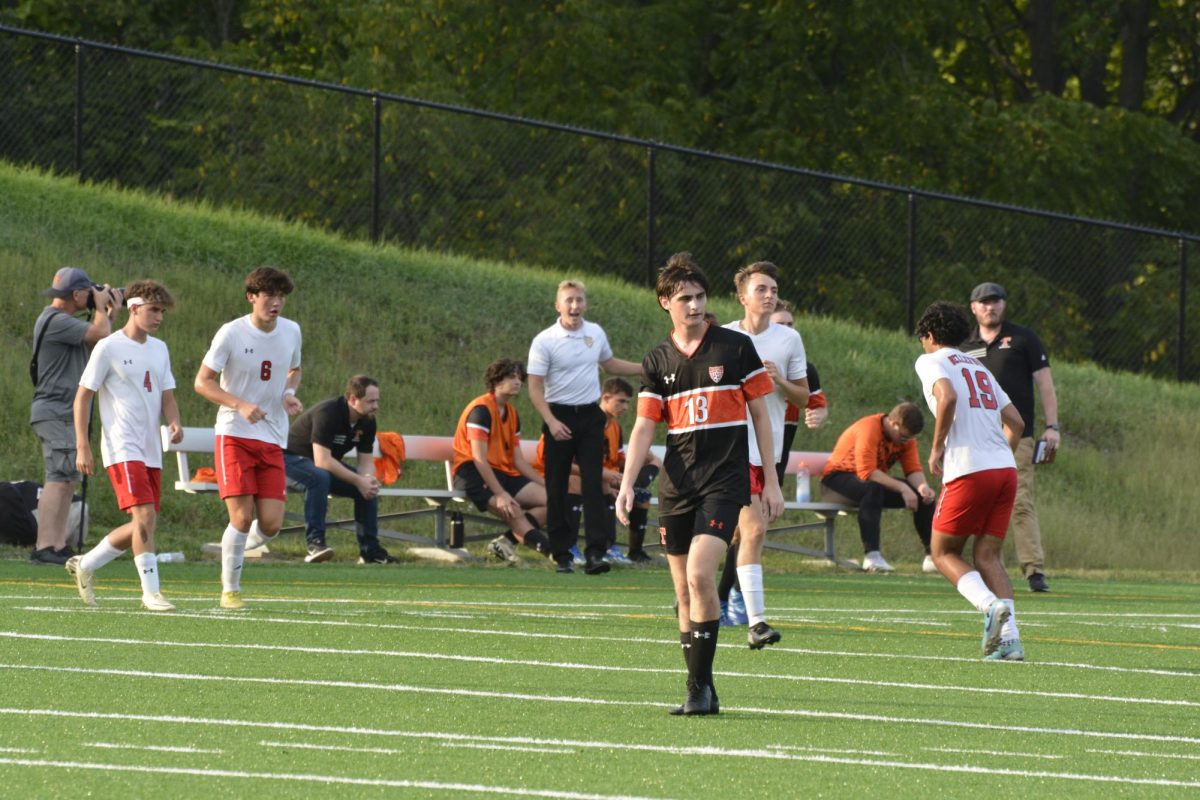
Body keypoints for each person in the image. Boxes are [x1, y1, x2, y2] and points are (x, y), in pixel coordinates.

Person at [616, 252, 783, 716]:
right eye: (684, 298)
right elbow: (646, 428)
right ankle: (702, 689)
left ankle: (697, 689)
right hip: (676, 486)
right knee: (683, 594)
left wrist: (770, 481)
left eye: (700, 297)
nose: (694, 305)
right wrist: (629, 484)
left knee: (699, 574)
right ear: (664, 302)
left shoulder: (734, 348)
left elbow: (763, 419)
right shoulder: (657, 361)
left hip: (725, 482)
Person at [915, 300, 1026, 661]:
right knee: (988, 555)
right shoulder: (979, 366)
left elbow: (945, 396)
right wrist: (998, 457)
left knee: (943, 552)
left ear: (929, 335)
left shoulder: (931, 360)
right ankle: (1009, 641)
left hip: (969, 467)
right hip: (1004, 469)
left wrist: (935, 449)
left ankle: (989, 606)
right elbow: (1017, 423)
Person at [65, 280, 183, 611]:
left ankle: (86, 563)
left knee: (143, 524)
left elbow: (167, 395)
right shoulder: (109, 347)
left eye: (161, 311)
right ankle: (151, 593)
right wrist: (82, 446)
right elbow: (82, 397)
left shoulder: (160, 348)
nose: (159, 316)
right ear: (133, 309)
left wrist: (174, 421)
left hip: (150, 450)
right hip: (121, 446)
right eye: (153, 310)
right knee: (144, 516)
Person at [194, 266, 303, 610]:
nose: (276, 303)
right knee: (241, 518)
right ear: (251, 297)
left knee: (270, 525)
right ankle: (230, 589)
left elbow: (294, 369)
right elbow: (203, 382)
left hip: (272, 436)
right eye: (269, 296)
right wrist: (239, 404)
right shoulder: (231, 333)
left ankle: (232, 549)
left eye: (281, 296)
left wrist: (288, 392)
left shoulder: (291, 331)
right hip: (235, 434)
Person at [527, 280, 642, 575]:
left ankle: (595, 553)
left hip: (590, 417)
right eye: (569, 301)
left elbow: (610, 364)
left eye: (579, 300)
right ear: (558, 306)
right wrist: (552, 423)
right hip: (559, 416)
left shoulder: (595, 333)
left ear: (585, 304)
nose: (574, 306)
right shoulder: (545, 340)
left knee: (594, 485)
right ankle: (562, 553)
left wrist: (645, 368)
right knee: (557, 486)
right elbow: (535, 388)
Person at [721, 261, 808, 648]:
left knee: (753, 530)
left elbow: (805, 397)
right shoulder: (720, 337)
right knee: (720, 532)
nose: (770, 295)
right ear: (743, 297)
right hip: (721, 449)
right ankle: (696, 595)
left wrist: (780, 382)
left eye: (773, 289)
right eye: (762, 289)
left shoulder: (789, 340)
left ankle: (755, 623)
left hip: (762, 449)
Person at [962, 282, 1060, 593]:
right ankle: (989, 566)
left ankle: (1034, 570)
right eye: (984, 302)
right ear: (973, 308)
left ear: (1004, 305)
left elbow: (1044, 383)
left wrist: (1052, 426)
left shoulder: (1022, 338)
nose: (990, 307)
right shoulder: (965, 345)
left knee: (1019, 500)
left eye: (996, 301)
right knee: (980, 502)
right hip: (977, 436)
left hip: (1018, 434)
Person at [29, 267, 122, 565]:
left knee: (67, 476)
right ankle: (44, 546)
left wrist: (109, 311)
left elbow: (99, 341)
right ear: (77, 294)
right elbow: (100, 332)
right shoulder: (56, 320)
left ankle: (57, 544)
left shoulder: (62, 321)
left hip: (62, 410)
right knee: (57, 477)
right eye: (88, 293)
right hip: (55, 409)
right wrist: (101, 307)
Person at [528, 377, 661, 565]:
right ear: (605, 398)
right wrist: (606, 475)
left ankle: (634, 551)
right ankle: (572, 546)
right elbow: (550, 459)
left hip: (598, 477)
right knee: (589, 482)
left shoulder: (614, 426)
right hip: (563, 478)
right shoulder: (581, 419)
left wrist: (639, 457)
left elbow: (616, 458)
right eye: (620, 401)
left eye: (628, 403)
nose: (625, 407)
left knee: (650, 472)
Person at [276, 374, 395, 564]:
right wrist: (359, 480)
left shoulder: (368, 421)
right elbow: (323, 461)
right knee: (319, 477)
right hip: (287, 460)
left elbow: (365, 462)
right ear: (353, 399)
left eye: (377, 400)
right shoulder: (328, 412)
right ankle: (315, 544)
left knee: (367, 488)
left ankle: (370, 552)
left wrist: (367, 480)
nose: (376, 406)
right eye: (371, 401)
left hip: (318, 465)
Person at [451, 358, 551, 562]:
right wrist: (501, 494)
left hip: (503, 473)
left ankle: (504, 543)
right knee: (512, 510)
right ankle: (554, 553)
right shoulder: (481, 411)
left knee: (553, 500)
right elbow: (479, 459)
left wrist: (548, 485)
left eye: (519, 377)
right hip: (473, 473)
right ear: (497, 382)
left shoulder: (512, 413)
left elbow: (519, 461)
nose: (518, 382)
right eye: (511, 377)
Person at [820, 403, 937, 573]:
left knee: (923, 496)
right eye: (903, 437)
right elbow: (866, 472)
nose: (905, 442)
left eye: (909, 438)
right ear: (893, 424)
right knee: (873, 489)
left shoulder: (907, 440)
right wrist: (903, 488)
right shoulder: (869, 429)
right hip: (835, 483)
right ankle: (872, 556)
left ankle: (932, 556)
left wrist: (922, 486)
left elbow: (912, 469)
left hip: (868, 483)